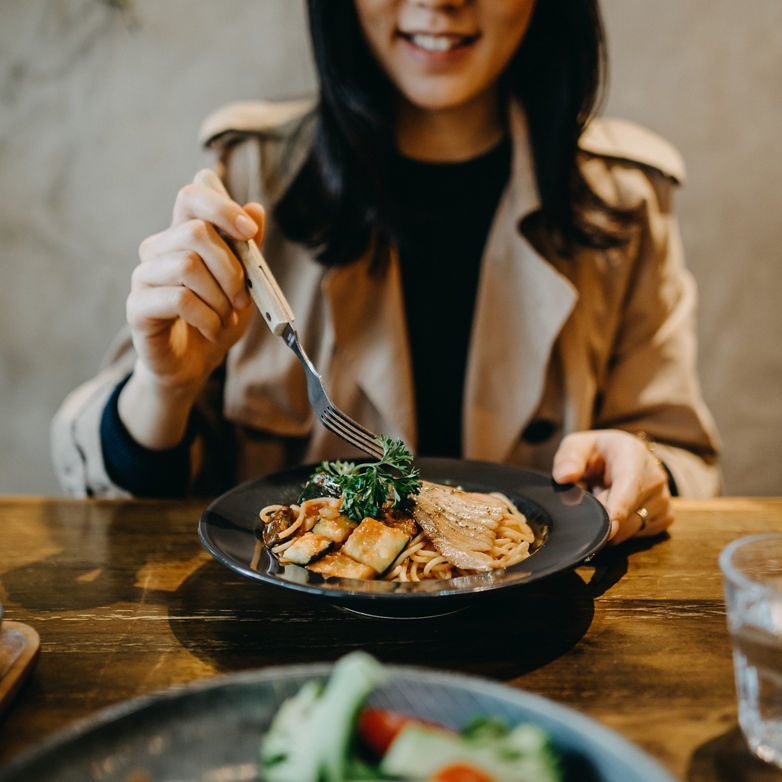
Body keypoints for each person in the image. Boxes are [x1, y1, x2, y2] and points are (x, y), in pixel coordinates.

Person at [52, 0, 721, 544]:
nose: (441, 3)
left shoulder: (622, 201)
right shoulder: (251, 178)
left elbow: (682, 458)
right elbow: (98, 485)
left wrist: (647, 474)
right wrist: (163, 388)